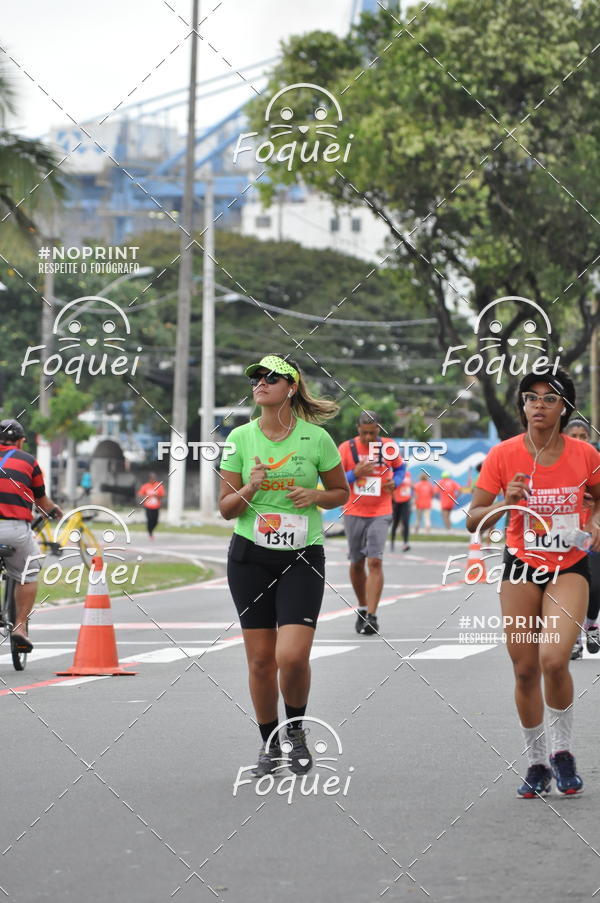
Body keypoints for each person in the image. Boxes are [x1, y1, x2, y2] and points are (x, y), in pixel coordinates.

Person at [467, 369, 600, 797]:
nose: (538, 405)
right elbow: (474, 519)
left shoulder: (585, 455)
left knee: (554, 659)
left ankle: (562, 753)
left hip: (569, 566)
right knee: (524, 669)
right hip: (521, 568)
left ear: (565, 408)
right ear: (522, 406)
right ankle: (537, 761)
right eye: (531, 398)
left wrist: (595, 519)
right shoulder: (503, 456)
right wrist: (506, 503)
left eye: (549, 398)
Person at [219, 354, 348, 778]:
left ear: (291, 387)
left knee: (291, 657)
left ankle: (295, 731)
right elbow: (225, 508)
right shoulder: (240, 437)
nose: (260, 383)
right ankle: (269, 743)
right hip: (249, 557)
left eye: (271, 378)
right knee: (260, 661)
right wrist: (252, 486)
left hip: (301, 556)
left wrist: (315, 497)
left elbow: (340, 493)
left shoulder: (317, 439)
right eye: (256, 377)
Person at [339, 412, 405, 636]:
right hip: (354, 510)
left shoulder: (389, 446)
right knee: (357, 562)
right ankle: (363, 607)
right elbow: (336, 479)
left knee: (375, 561)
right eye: (364, 432)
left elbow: (400, 468)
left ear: (379, 429)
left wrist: (394, 482)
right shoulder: (346, 448)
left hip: (381, 510)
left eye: (373, 432)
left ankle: (373, 616)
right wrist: (353, 474)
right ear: (358, 429)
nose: (368, 437)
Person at [0, 419, 63, 652]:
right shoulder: (28, 461)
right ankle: (19, 627)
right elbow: (42, 502)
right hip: (13, 529)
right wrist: (55, 511)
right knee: (29, 570)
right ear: (21, 441)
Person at [564, 418, 600, 659]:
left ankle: (591, 625)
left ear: (589, 439)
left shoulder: (596, 464)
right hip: (566, 535)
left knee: (595, 586)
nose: (578, 440)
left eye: (583, 436)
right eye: (573, 436)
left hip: (594, 533)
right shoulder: (557, 465)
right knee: (571, 587)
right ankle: (574, 638)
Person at [390, 468, 412, 551]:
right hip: (396, 501)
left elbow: (408, 486)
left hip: (406, 501)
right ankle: (392, 543)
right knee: (395, 523)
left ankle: (405, 543)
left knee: (405, 522)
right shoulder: (393, 474)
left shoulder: (408, 474)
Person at [137, 472, 165, 539]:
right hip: (148, 506)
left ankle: (151, 530)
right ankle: (150, 532)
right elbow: (140, 494)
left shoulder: (159, 485)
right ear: (149, 479)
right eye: (152, 478)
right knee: (150, 520)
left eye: (154, 478)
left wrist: (157, 495)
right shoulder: (145, 486)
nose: (153, 479)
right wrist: (146, 496)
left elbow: (162, 495)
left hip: (156, 506)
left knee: (155, 521)